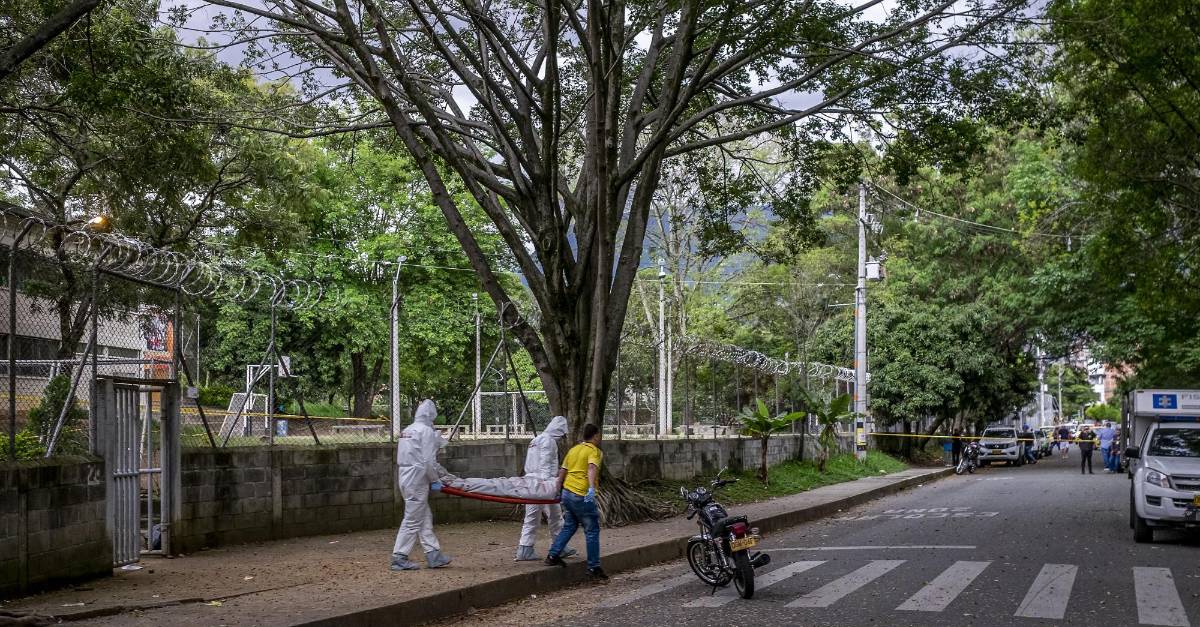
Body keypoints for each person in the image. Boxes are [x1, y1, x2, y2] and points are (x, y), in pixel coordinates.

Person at [390, 399, 452, 570]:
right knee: (412, 519)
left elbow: (420, 458)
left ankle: (433, 554)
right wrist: (435, 480)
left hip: (404, 476)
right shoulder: (425, 431)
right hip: (418, 479)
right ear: (432, 415)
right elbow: (428, 461)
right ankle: (399, 556)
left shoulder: (407, 430)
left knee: (423, 517)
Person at [545, 423, 606, 581]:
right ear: (596, 436)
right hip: (581, 494)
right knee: (592, 530)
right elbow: (592, 468)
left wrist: (558, 488)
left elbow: (563, 470)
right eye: (599, 435)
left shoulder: (573, 450)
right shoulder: (594, 451)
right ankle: (593, 567)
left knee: (570, 525)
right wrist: (591, 489)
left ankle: (553, 555)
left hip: (567, 493)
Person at [515, 416, 576, 561]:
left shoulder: (535, 440)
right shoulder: (549, 442)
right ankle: (533, 548)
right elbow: (546, 464)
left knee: (540, 515)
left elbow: (530, 464)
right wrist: (550, 484)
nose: (562, 438)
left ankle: (531, 548)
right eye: (562, 434)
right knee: (551, 515)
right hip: (543, 485)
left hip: (531, 482)